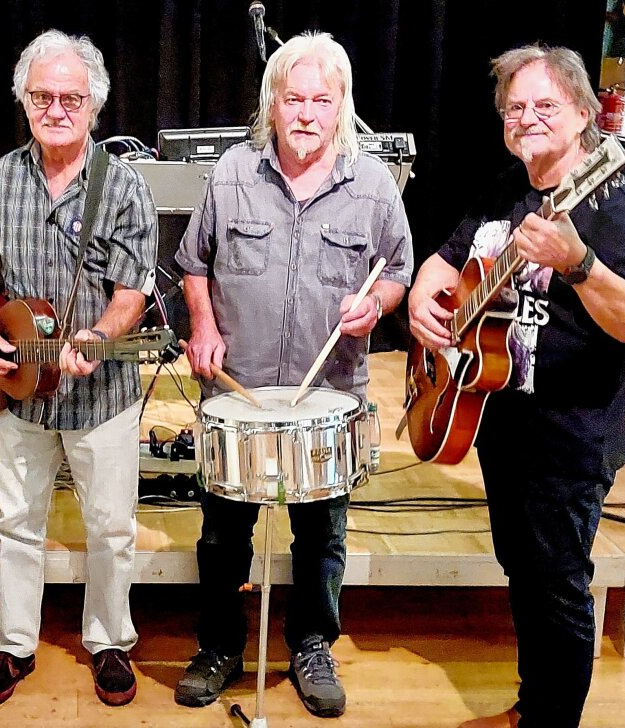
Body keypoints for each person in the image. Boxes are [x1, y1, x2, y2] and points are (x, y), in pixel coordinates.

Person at [408, 45, 625, 728]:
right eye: (515, 108)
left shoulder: (610, 201)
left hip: (572, 437)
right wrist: (426, 300)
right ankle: (532, 705)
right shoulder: (508, 190)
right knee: (524, 572)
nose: (527, 118)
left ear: (581, 114)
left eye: (544, 105)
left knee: (560, 592)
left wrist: (577, 263)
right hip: (503, 422)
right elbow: (444, 260)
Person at [173, 32, 413, 718]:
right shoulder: (232, 173)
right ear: (272, 105)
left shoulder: (371, 185)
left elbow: (397, 269)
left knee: (321, 535)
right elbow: (194, 262)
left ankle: (312, 644)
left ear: (342, 107)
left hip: (328, 395)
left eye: (322, 100)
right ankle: (218, 646)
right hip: (240, 393)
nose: (307, 113)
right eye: (295, 99)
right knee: (223, 533)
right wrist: (205, 325)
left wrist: (376, 305)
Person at [0, 29, 157, 708]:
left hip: (103, 394)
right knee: (15, 521)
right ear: (24, 101)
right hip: (22, 392)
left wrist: (98, 334)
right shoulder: (0, 178)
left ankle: (110, 640)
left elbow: (134, 292)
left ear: (93, 106)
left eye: (70, 98)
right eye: (42, 96)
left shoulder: (121, 187)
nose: (56, 108)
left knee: (111, 527)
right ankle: (15, 645)